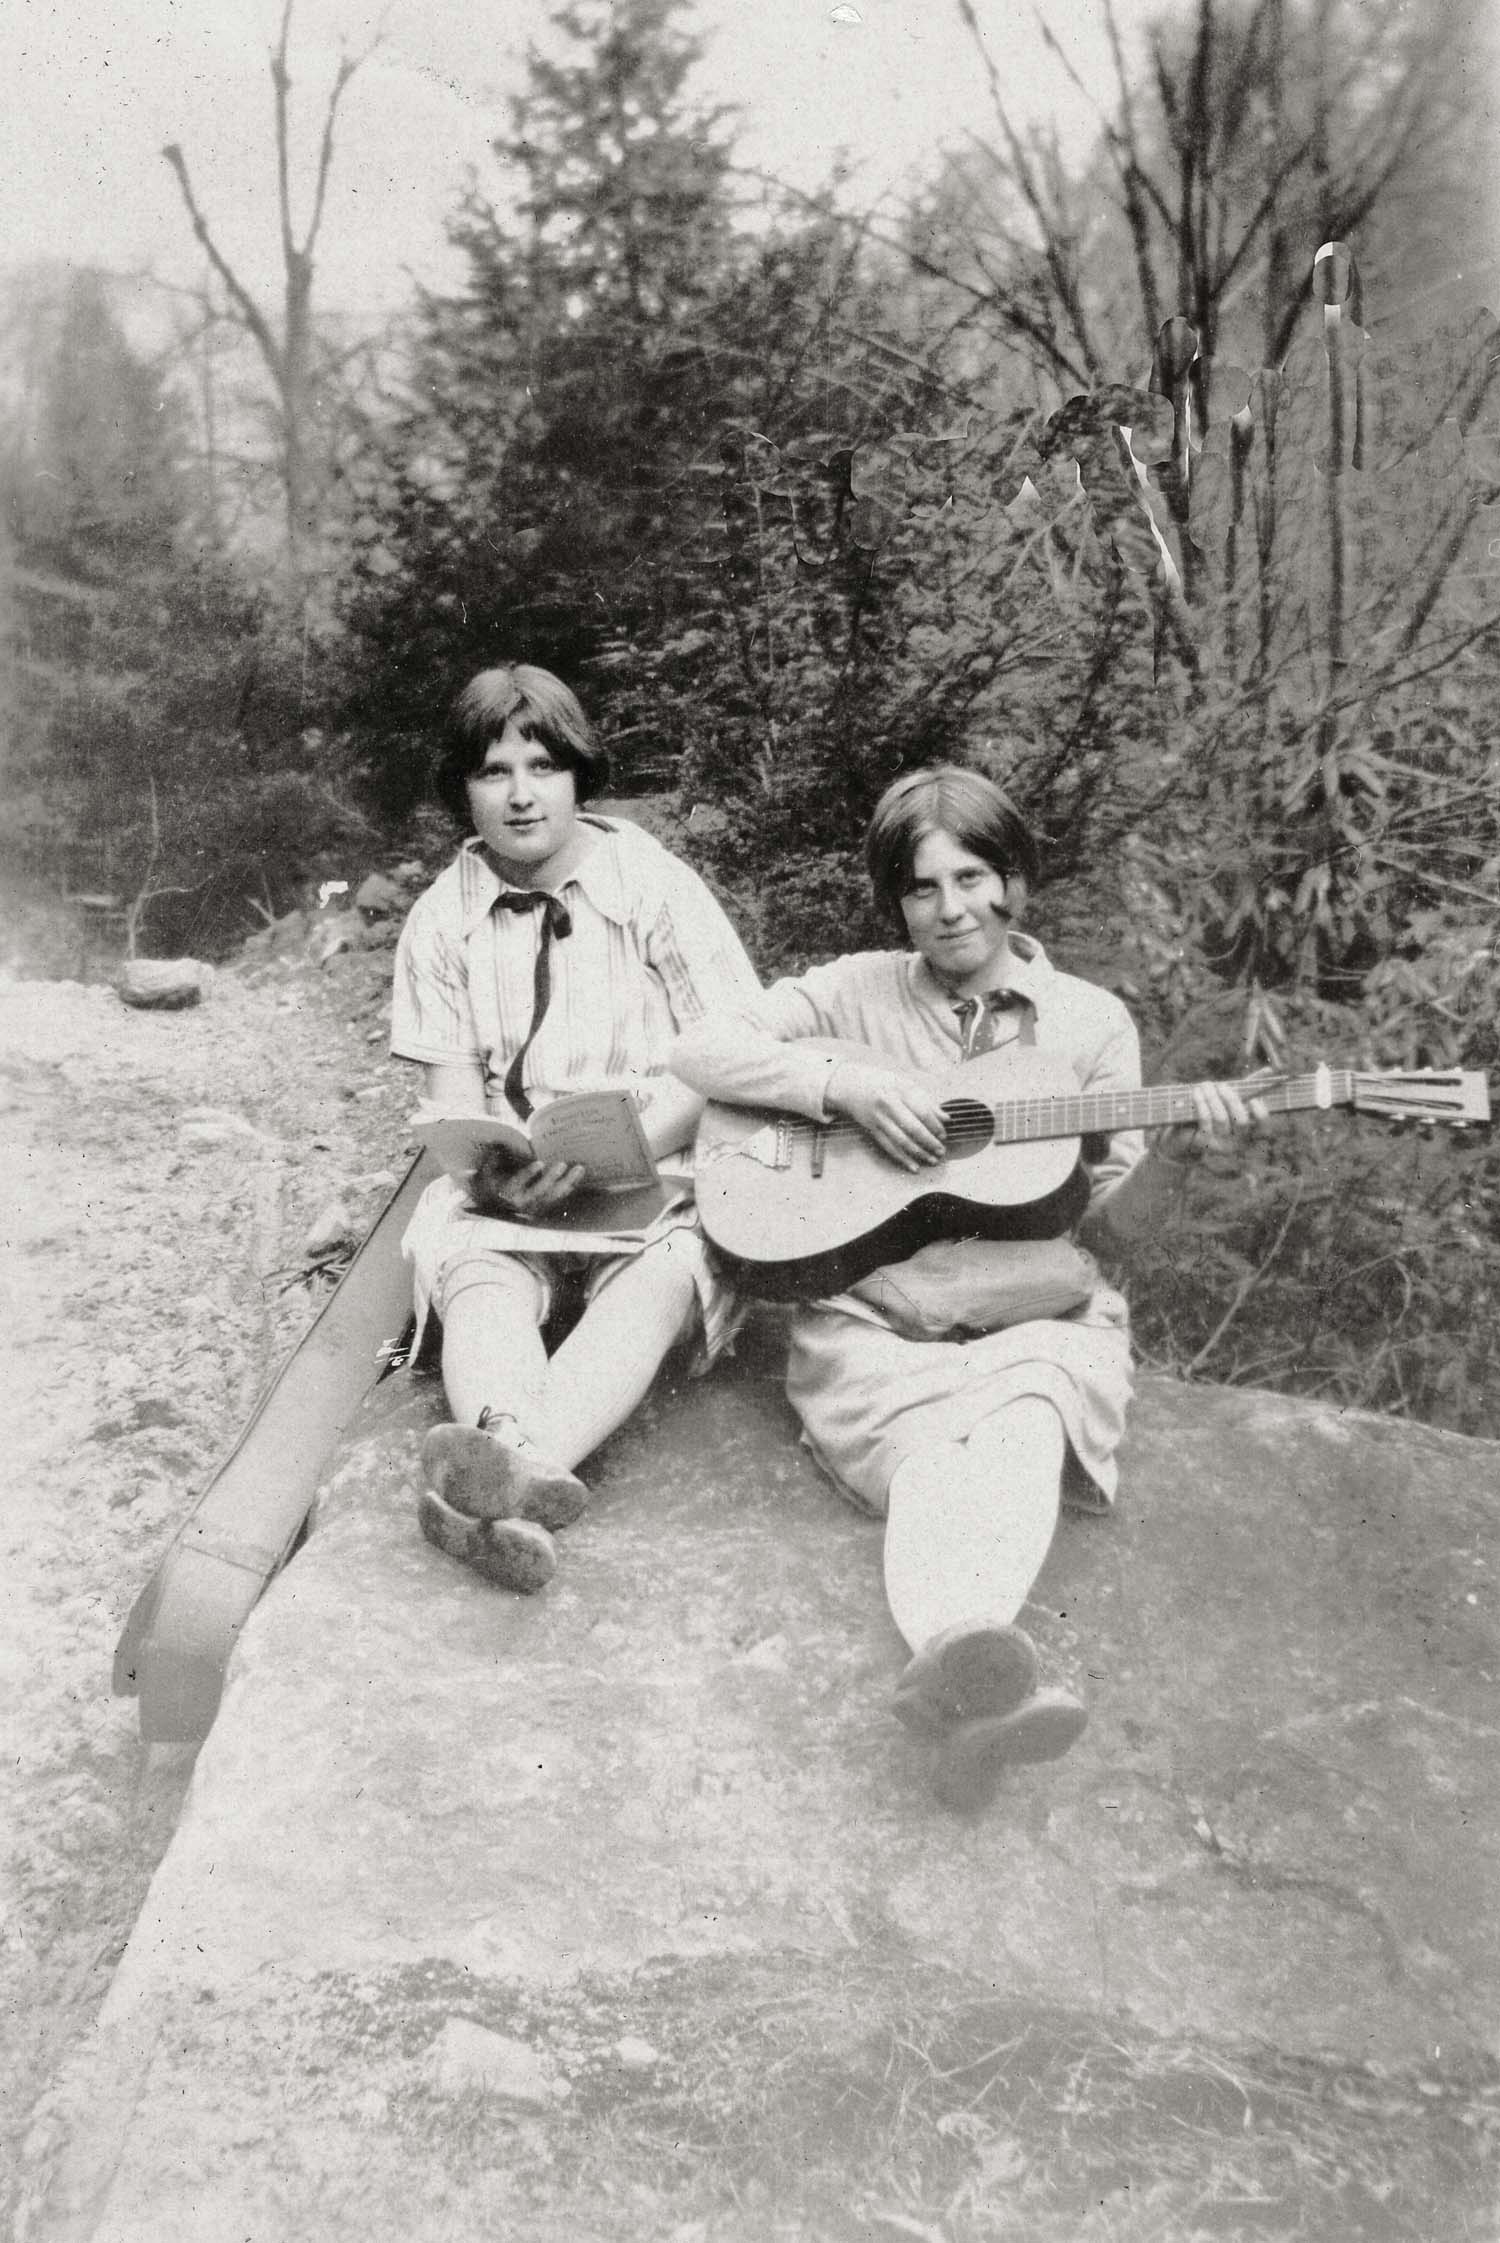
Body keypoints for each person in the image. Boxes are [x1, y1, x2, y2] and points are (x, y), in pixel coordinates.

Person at [673, 766, 1252, 1810]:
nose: (951, 909)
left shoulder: (1088, 1023)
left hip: (1037, 1313)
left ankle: (960, 1676)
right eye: (922, 887)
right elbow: (699, 1045)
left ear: (1014, 879)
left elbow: (1115, 1232)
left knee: (1025, 1422)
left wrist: (1175, 1159)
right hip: (876, 1312)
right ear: (895, 901)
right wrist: (844, 1084)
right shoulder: (857, 991)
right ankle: (971, 1678)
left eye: (974, 878)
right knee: (934, 1453)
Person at [390, 663, 759, 1595]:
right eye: (493, 772)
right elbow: (452, 1097)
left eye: (543, 767)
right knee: (481, 1276)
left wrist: (628, 1148)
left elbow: (730, 1049)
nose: (521, 795)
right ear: (464, 789)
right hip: (521, 1192)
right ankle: (505, 1451)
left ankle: (511, 1471)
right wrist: (491, 1174)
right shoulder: (440, 920)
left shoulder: (653, 884)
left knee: (661, 1276)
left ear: (578, 774)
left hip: (656, 1168)